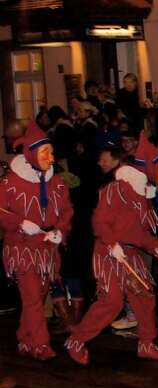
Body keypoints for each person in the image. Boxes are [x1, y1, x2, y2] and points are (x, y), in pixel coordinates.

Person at [65, 136, 158, 365]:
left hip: (129, 253)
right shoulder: (115, 189)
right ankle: (76, 340)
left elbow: (139, 234)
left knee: (143, 296)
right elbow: (100, 221)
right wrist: (112, 243)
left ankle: (146, 343)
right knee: (112, 302)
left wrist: (156, 247)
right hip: (108, 251)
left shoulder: (142, 197)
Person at [0, 122, 73, 360]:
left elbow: (66, 211)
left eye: (51, 153)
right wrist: (20, 223)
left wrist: (61, 230)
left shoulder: (57, 182)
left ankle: (24, 336)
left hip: (47, 248)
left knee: (38, 297)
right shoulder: (10, 182)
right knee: (32, 298)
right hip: (21, 248)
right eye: (46, 153)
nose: (51, 158)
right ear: (31, 154)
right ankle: (41, 345)